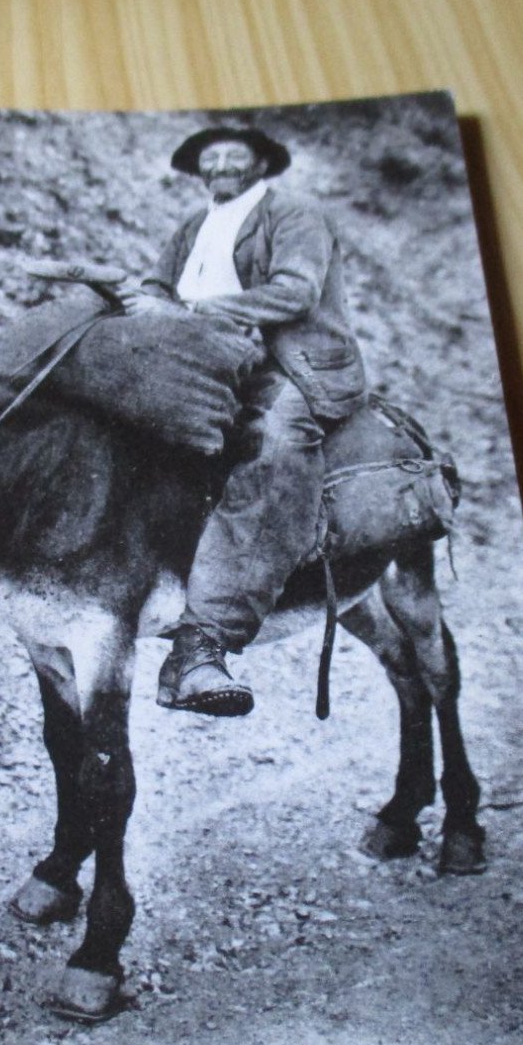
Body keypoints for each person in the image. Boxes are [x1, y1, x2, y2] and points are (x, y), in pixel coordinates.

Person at [118, 126, 368, 716]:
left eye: (235, 156)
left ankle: (207, 642)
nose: (221, 165)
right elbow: (159, 286)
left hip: (292, 365)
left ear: (260, 164)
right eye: (211, 159)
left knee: (275, 448)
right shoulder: (193, 225)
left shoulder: (295, 214)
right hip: (207, 358)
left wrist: (191, 308)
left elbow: (294, 293)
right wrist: (134, 301)